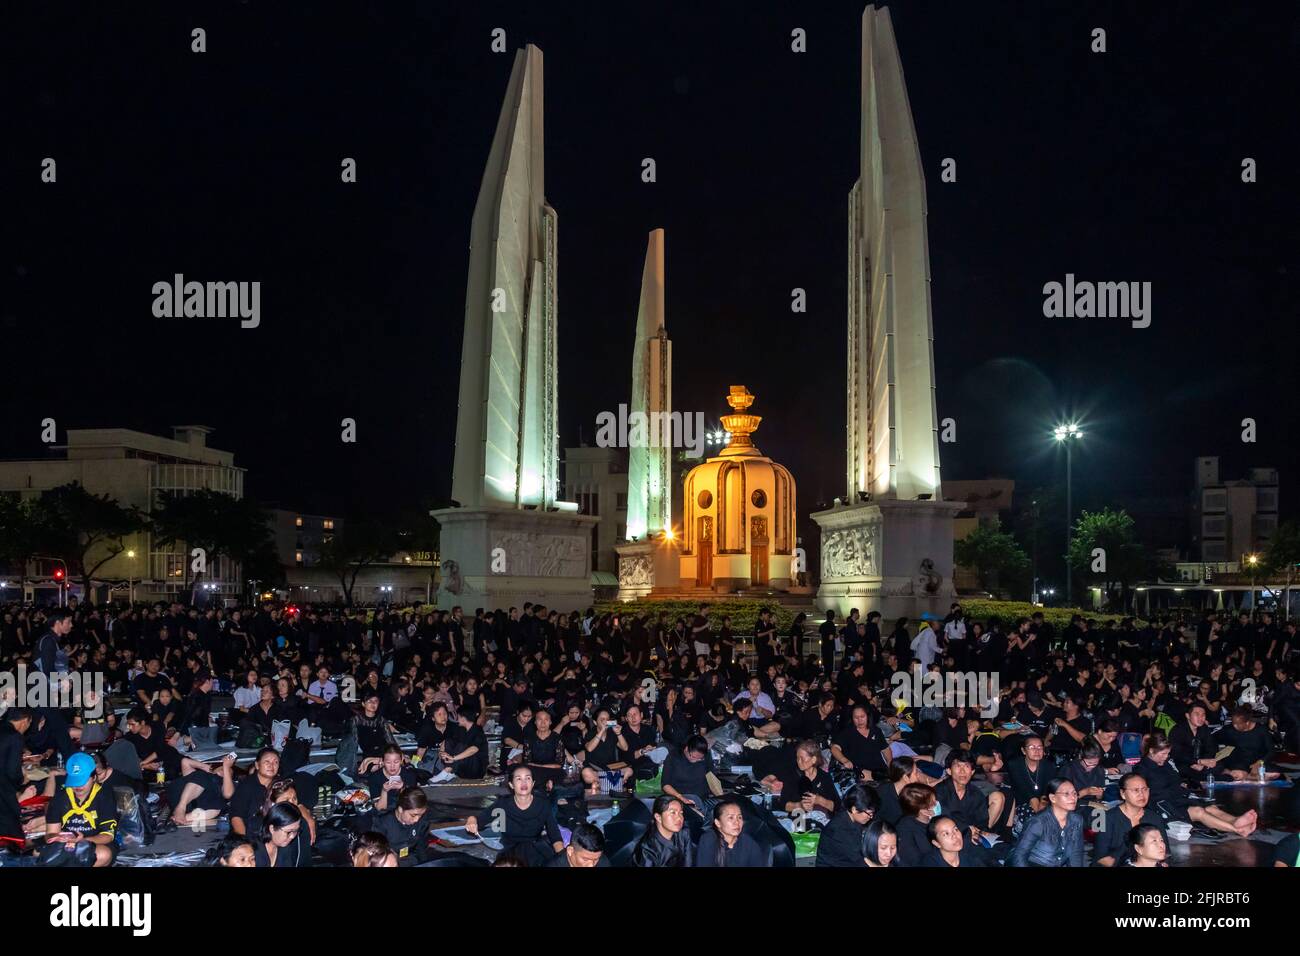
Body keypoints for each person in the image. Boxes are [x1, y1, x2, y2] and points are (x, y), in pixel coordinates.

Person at [1136, 732, 1257, 836]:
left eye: (1167, 754)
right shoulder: (1141, 768)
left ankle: (1235, 820)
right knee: (1199, 811)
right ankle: (1237, 830)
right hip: (1161, 805)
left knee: (1211, 808)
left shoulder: (1166, 764)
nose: (1166, 757)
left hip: (1177, 798)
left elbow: (1176, 780)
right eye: (1163, 754)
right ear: (1151, 751)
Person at [466, 765, 564, 867]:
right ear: (511, 785)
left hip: (536, 848)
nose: (524, 782)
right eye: (518, 779)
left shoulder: (543, 804)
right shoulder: (503, 804)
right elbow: (480, 820)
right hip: (510, 850)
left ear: (533, 783)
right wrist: (471, 820)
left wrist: (562, 857)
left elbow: (554, 835)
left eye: (528, 778)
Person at [44, 752, 118, 867]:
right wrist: (58, 838)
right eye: (74, 781)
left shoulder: (104, 797)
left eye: (82, 781)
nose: (78, 787)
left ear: (94, 777)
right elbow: (50, 832)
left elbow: (107, 836)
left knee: (102, 854)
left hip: (94, 841)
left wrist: (83, 841)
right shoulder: (60, 797)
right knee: (38, 852)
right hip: (65, 844)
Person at [1093, 773, 1166, 867]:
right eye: (1136, 790)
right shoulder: (1103, 817)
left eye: (1145, 790)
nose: (1142, 794)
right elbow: (1100, 858)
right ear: (1122, 793)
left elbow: (1165, 852)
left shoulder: (1155, 817)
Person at [1008, 778, 1084, 867]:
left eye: (1074, 793)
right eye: (1066, 794)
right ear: (1053, 798)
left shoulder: (1076, 820)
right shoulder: (1038, 822)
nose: (1073, 797)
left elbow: (1076, 854)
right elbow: (1019, 855)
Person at [935, 750, 1004, 839]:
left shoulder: (976, 794)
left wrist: (980, 832)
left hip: (971, 837)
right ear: (949, 771)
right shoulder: (939, 791)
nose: (962, 771)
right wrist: (965, 829)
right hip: (947, 837)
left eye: (967, 766)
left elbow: (982, 822)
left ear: (972, 772)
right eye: (958, 766)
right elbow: (941, 818)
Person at [696, 796, 771, 867]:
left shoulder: (749, 844)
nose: (737, 822)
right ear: (718, 823)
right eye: (731, 818)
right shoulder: (708, 840)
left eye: (739, 817)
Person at [815, 783, 877, 867]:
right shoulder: (839, 830)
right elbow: (860, 861)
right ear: (854, 809)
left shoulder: (849, 817)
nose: (871, 817)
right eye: (869, 813)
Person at [370, 786, 431, 863]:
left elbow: (421, 849)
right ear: (400, 809)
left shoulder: (422, 821)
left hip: (411, 858)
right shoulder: (382, 823)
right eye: (413, 815)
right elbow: (377, 855)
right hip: (389, 861)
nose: (417, 819)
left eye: (420, 815)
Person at [831, 704, 890, 781]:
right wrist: (844, 760)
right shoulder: (847, 733)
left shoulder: (876, 730)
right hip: (861, 772)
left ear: (868, 716)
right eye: (856, 718)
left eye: (862, 717)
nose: (859, 720)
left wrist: (889, 763)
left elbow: (885, 749)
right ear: (852, 718)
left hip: (880, 770)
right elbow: (834, 748)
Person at [632, 794, 694, 867]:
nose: (679, 818)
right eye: (673, 813)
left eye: (681, 813)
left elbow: (688, 863)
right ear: (658, 817)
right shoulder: (647, 849)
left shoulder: (684, 835)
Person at [660, 735, 717, 814]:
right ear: (686, 749)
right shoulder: (673, 757)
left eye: (700, 758)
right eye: (693, 757)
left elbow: (712, 778)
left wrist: (719, 795)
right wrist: (680, 797)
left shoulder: (706, 756)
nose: (696, 760)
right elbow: (665, 785)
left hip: (702, 799)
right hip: (680, 799)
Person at [253, 801, 312, 868]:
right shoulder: (252, 851)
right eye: (289, 832)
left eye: (296, 831)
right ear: (272, 829)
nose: (292, 836)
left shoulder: (285, 849)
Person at [894, 783, 938, 867]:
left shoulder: (939, 818)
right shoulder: (904, 828)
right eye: (933, 803)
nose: (936, 804)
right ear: (923, 810)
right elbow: (913, 861)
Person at [439, 710, 488, 780]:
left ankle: (447, 771)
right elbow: (448, 742)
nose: (457, 720)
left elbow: (473, 749)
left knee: (462, 746)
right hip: (462, 768)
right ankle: (450, 771)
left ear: (463, 719)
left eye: (458, 717)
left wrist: (453, 758)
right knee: (449, 741)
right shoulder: (461, 730)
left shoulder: (478, 731)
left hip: (476, 770)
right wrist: (442, 754)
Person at [544, 822, 609, 867]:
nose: (591, 865)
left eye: (595, 859)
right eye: (585, 859)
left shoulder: (603, 862)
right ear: (570, 851)